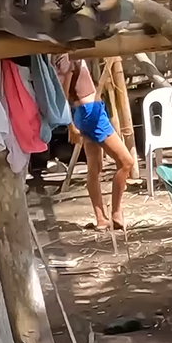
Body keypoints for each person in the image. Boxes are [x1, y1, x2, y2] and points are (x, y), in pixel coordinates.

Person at [53, 54, 136, 231]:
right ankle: (116, 213)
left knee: (94, 168)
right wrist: (70, 125)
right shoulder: (66, 54)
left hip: (89, 111)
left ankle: (101, 219)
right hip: (89, 112)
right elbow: (63, 93)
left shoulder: (72, 52)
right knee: (126, 162)